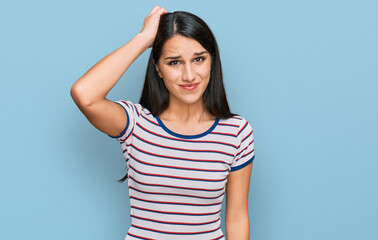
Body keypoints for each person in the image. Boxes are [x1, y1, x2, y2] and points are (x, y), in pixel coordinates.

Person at [71, 5, 255, 240]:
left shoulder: (236, 132)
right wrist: (144, 39)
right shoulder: (135, 124)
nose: (189, 75)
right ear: (158, 68)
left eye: (198, 59)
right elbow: (84, 94)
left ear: (212, 61)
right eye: (174, 62)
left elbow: (237, 217)